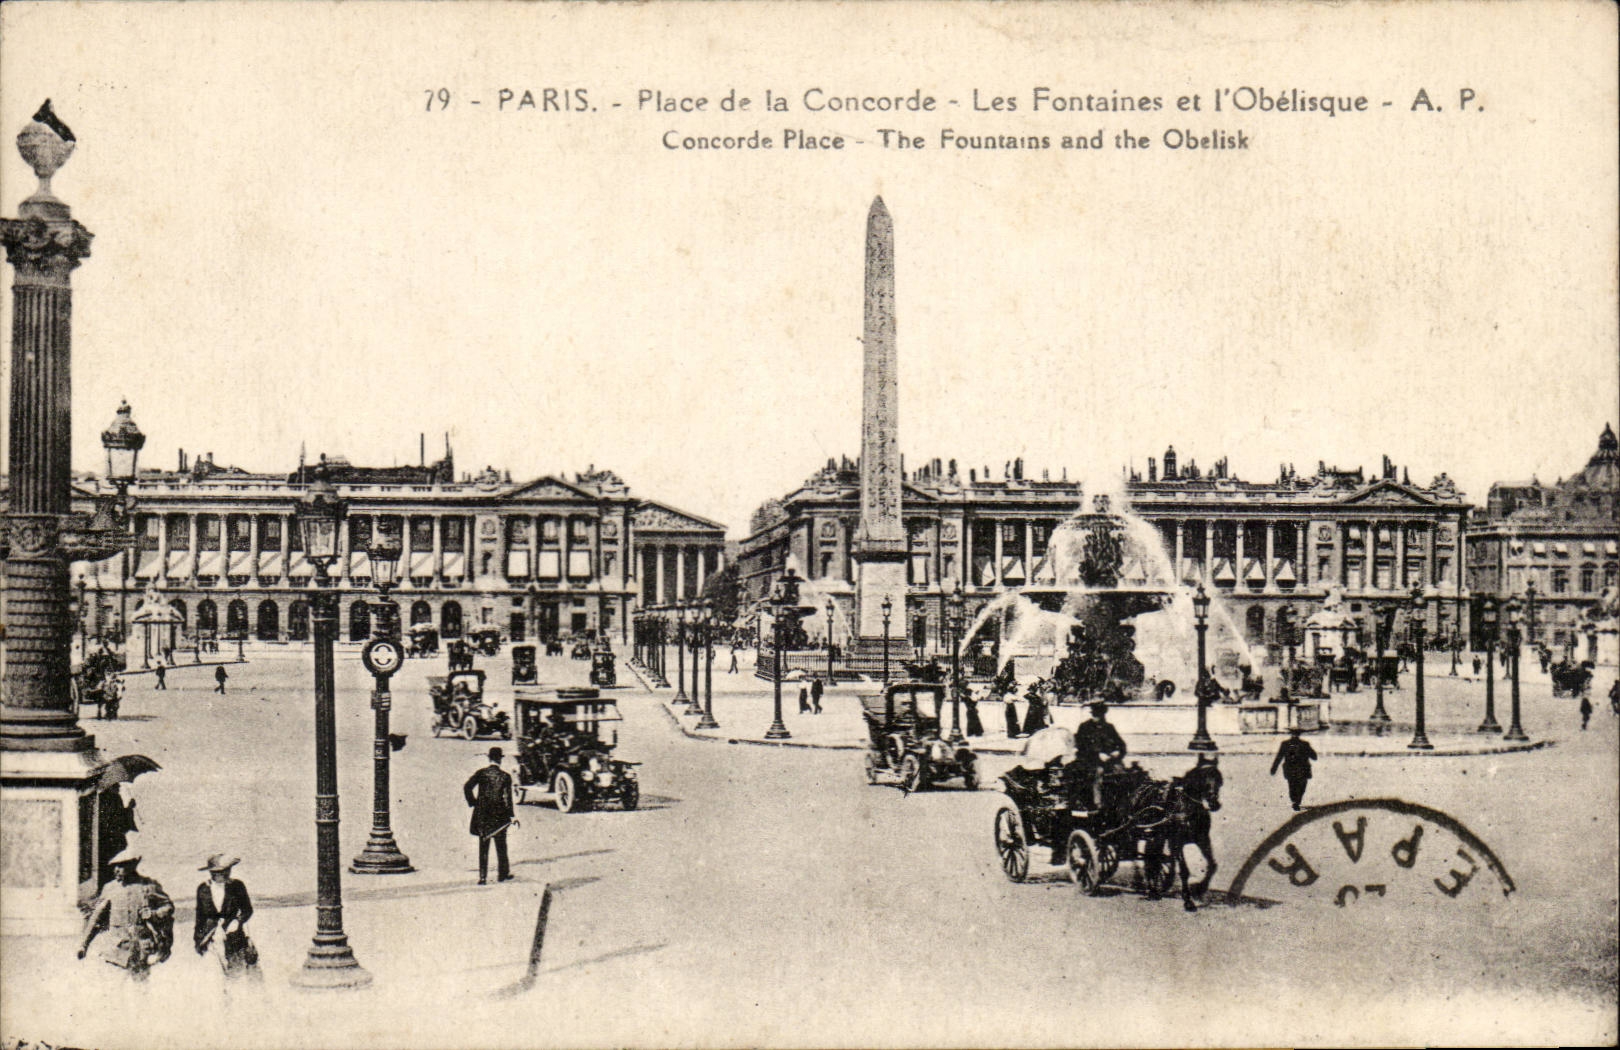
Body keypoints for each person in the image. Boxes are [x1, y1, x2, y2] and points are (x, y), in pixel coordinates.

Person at [78, 849, 175, 981]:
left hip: (141, 949)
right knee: (115, 989)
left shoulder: (148, 886)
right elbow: (96, 917)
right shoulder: (110, 888)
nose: (116, 870)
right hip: (116, 949)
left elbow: (168, 906)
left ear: (132, 866)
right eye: (115, 867)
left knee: (140, 989)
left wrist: (154, 914)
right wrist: (84, 944)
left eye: (121, 866)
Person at [194, 854, 259, 980]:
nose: (222, 874)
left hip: (234, 939)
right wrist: (198, 941)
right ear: (211, 872)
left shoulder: (237, 886)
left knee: (237, 976)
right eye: (218, 872)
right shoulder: (203, 889)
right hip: (211, 940)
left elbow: (247, 910)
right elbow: (200, 917)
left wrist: (237, 921)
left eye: (226, 871)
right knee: (215, 979)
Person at [464, 746, 515, 885]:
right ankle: (502, 875)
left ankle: (482, 877)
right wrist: (511, 815)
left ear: (489, 758)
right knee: (501, 846)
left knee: (483, 845)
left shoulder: (481, 773)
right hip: (499, 816)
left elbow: (467, 787)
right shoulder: (505, 776)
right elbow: (507, 798)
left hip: (483, 815)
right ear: (500, 759)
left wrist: (474, 802)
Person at [1072, 702, 1128, 810]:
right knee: (1098, 773)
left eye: (1100, 715)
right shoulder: (1084, 727)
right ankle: (1098, 805)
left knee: (1121, 774)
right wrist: (1097, 755)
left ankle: (1120, 804)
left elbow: (1122, 745)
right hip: (1090, 762)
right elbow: (1081, 748)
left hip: (1110, 761)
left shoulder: (1109, 727)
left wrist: (1117, 753)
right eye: (1095, 715)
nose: (1098, 718)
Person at [1270, 727, 1319, 811]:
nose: (1295, 736)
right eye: (1295, 734)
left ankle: (1295, 801)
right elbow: (1314, 757)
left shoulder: (1286, 744)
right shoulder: (1304, 744)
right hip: (1301, 770)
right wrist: (1274, 768)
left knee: (1293, 786)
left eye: (1295, 734)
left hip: (1292, 770)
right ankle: (1296, 801)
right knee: (1300, 786)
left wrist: (1274, 768)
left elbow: (1279, 757)